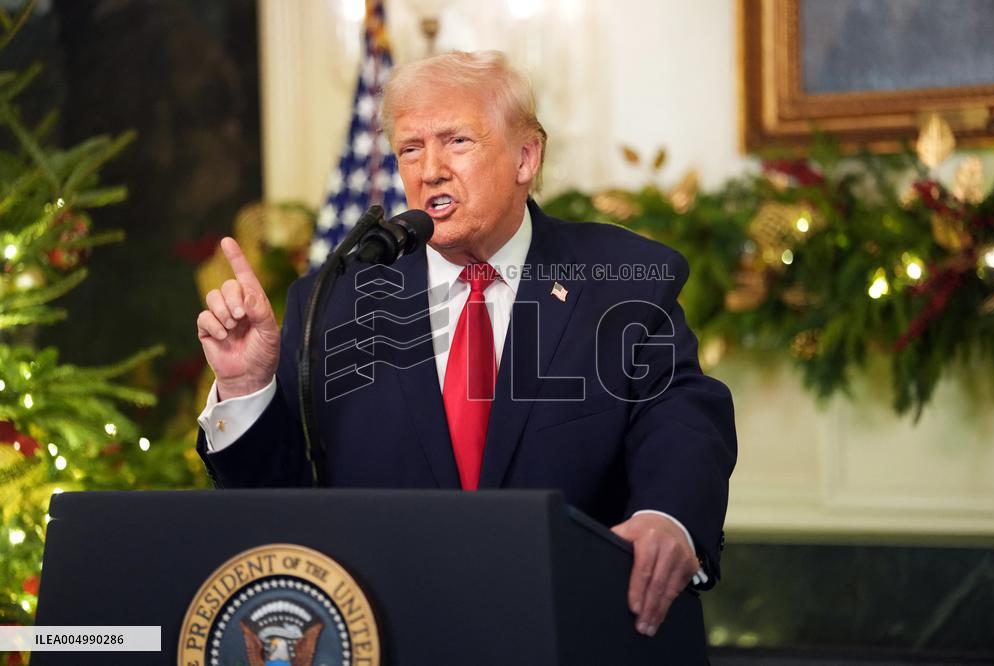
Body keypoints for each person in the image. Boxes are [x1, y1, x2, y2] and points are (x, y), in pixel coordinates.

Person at [195, 50, 736, 640]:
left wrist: (669, 518)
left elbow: (683, 416)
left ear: (526, 157)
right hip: (397, 635)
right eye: (410, 149)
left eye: (456, 142)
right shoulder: (333, 300)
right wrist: (246, 389)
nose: (429, 171)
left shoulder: (622, 276)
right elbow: (286, 512)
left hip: (577, 630)